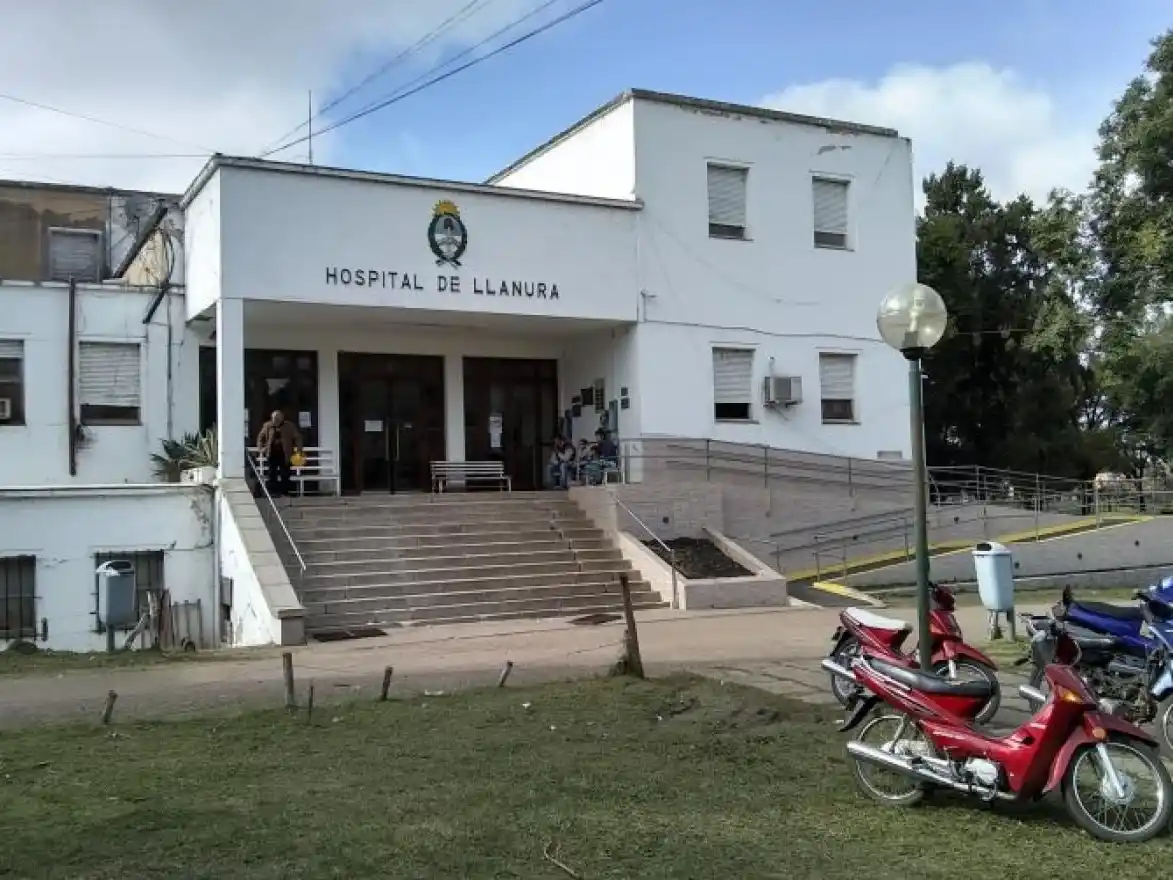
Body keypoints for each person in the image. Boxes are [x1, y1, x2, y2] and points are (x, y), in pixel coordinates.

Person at [256, 410, 302, 497]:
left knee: (285, 473)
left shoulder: (289, 426)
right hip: (271, 453)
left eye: (277, 419)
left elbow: (297, 437)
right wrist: (261, 449)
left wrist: (298, 449)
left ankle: (285, 491)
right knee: (271, 473)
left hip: (285, 453)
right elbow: (260, 437)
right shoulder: (267, 426)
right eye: (274, 418)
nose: (275, 420)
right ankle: (273, 492)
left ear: (282, 418)